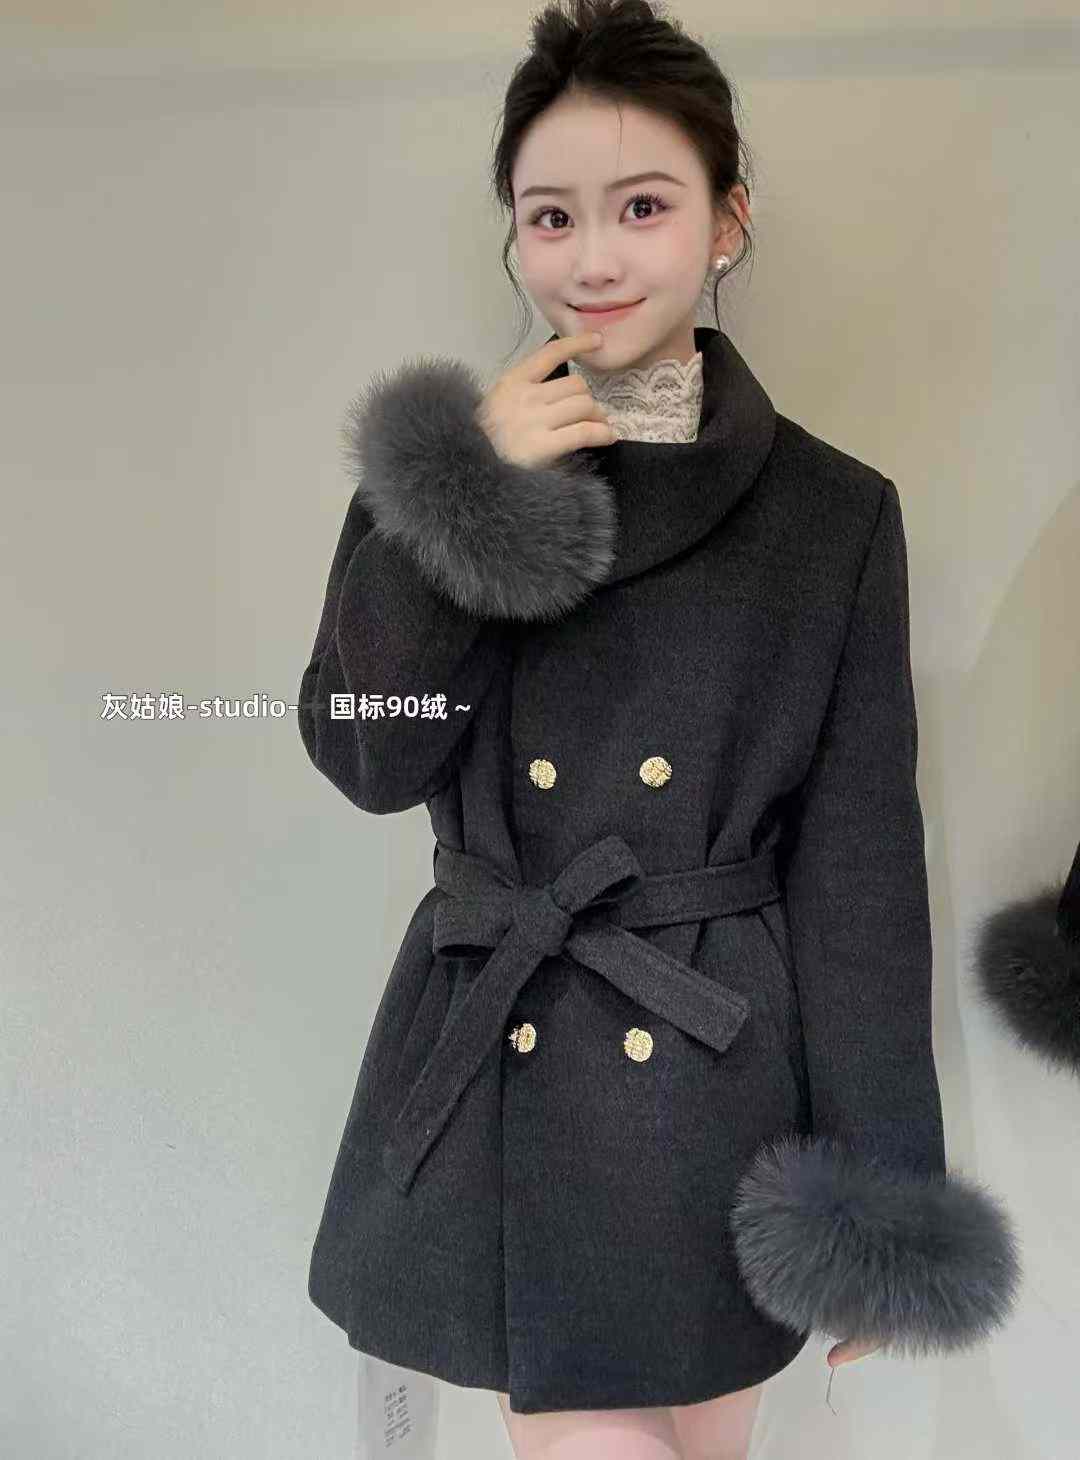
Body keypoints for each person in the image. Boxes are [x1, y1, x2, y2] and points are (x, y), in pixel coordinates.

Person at [299, 3, 1020, 1456]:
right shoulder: (439, 482)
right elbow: (366, 750)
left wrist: (878, 1193)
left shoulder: (830, 515)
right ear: (513, 236)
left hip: (711, 1085)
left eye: (643, 206)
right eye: (550, 215)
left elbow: (858, 867)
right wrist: (466, 503)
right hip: (506, 1068)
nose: (595, 257)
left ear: (727, 220)